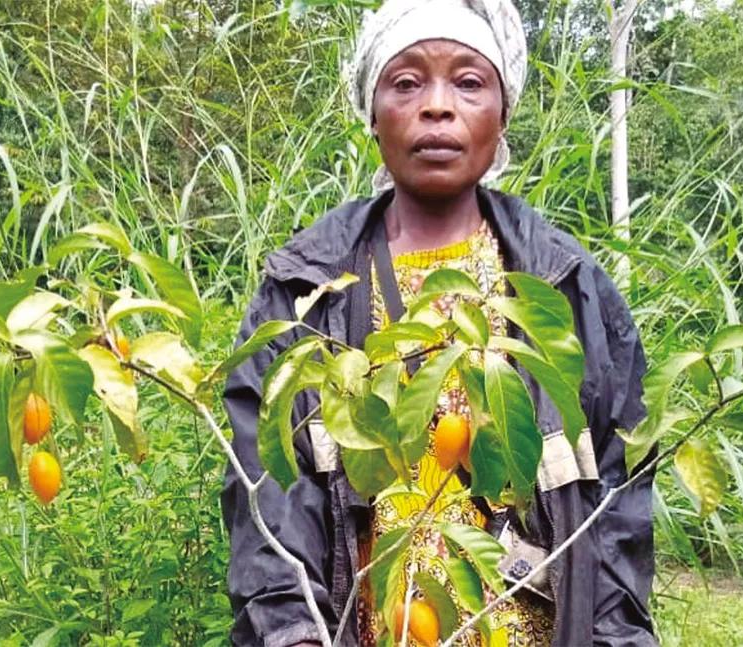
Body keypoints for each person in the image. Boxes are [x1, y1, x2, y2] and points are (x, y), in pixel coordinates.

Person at [220, 0, 656, 645]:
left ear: (502, 113)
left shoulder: (564, 285)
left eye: (469, 82)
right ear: (372, 113)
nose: (437, 106)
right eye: (406, 82)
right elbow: (266, 498)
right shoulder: (305, 289)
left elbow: (618, 499)